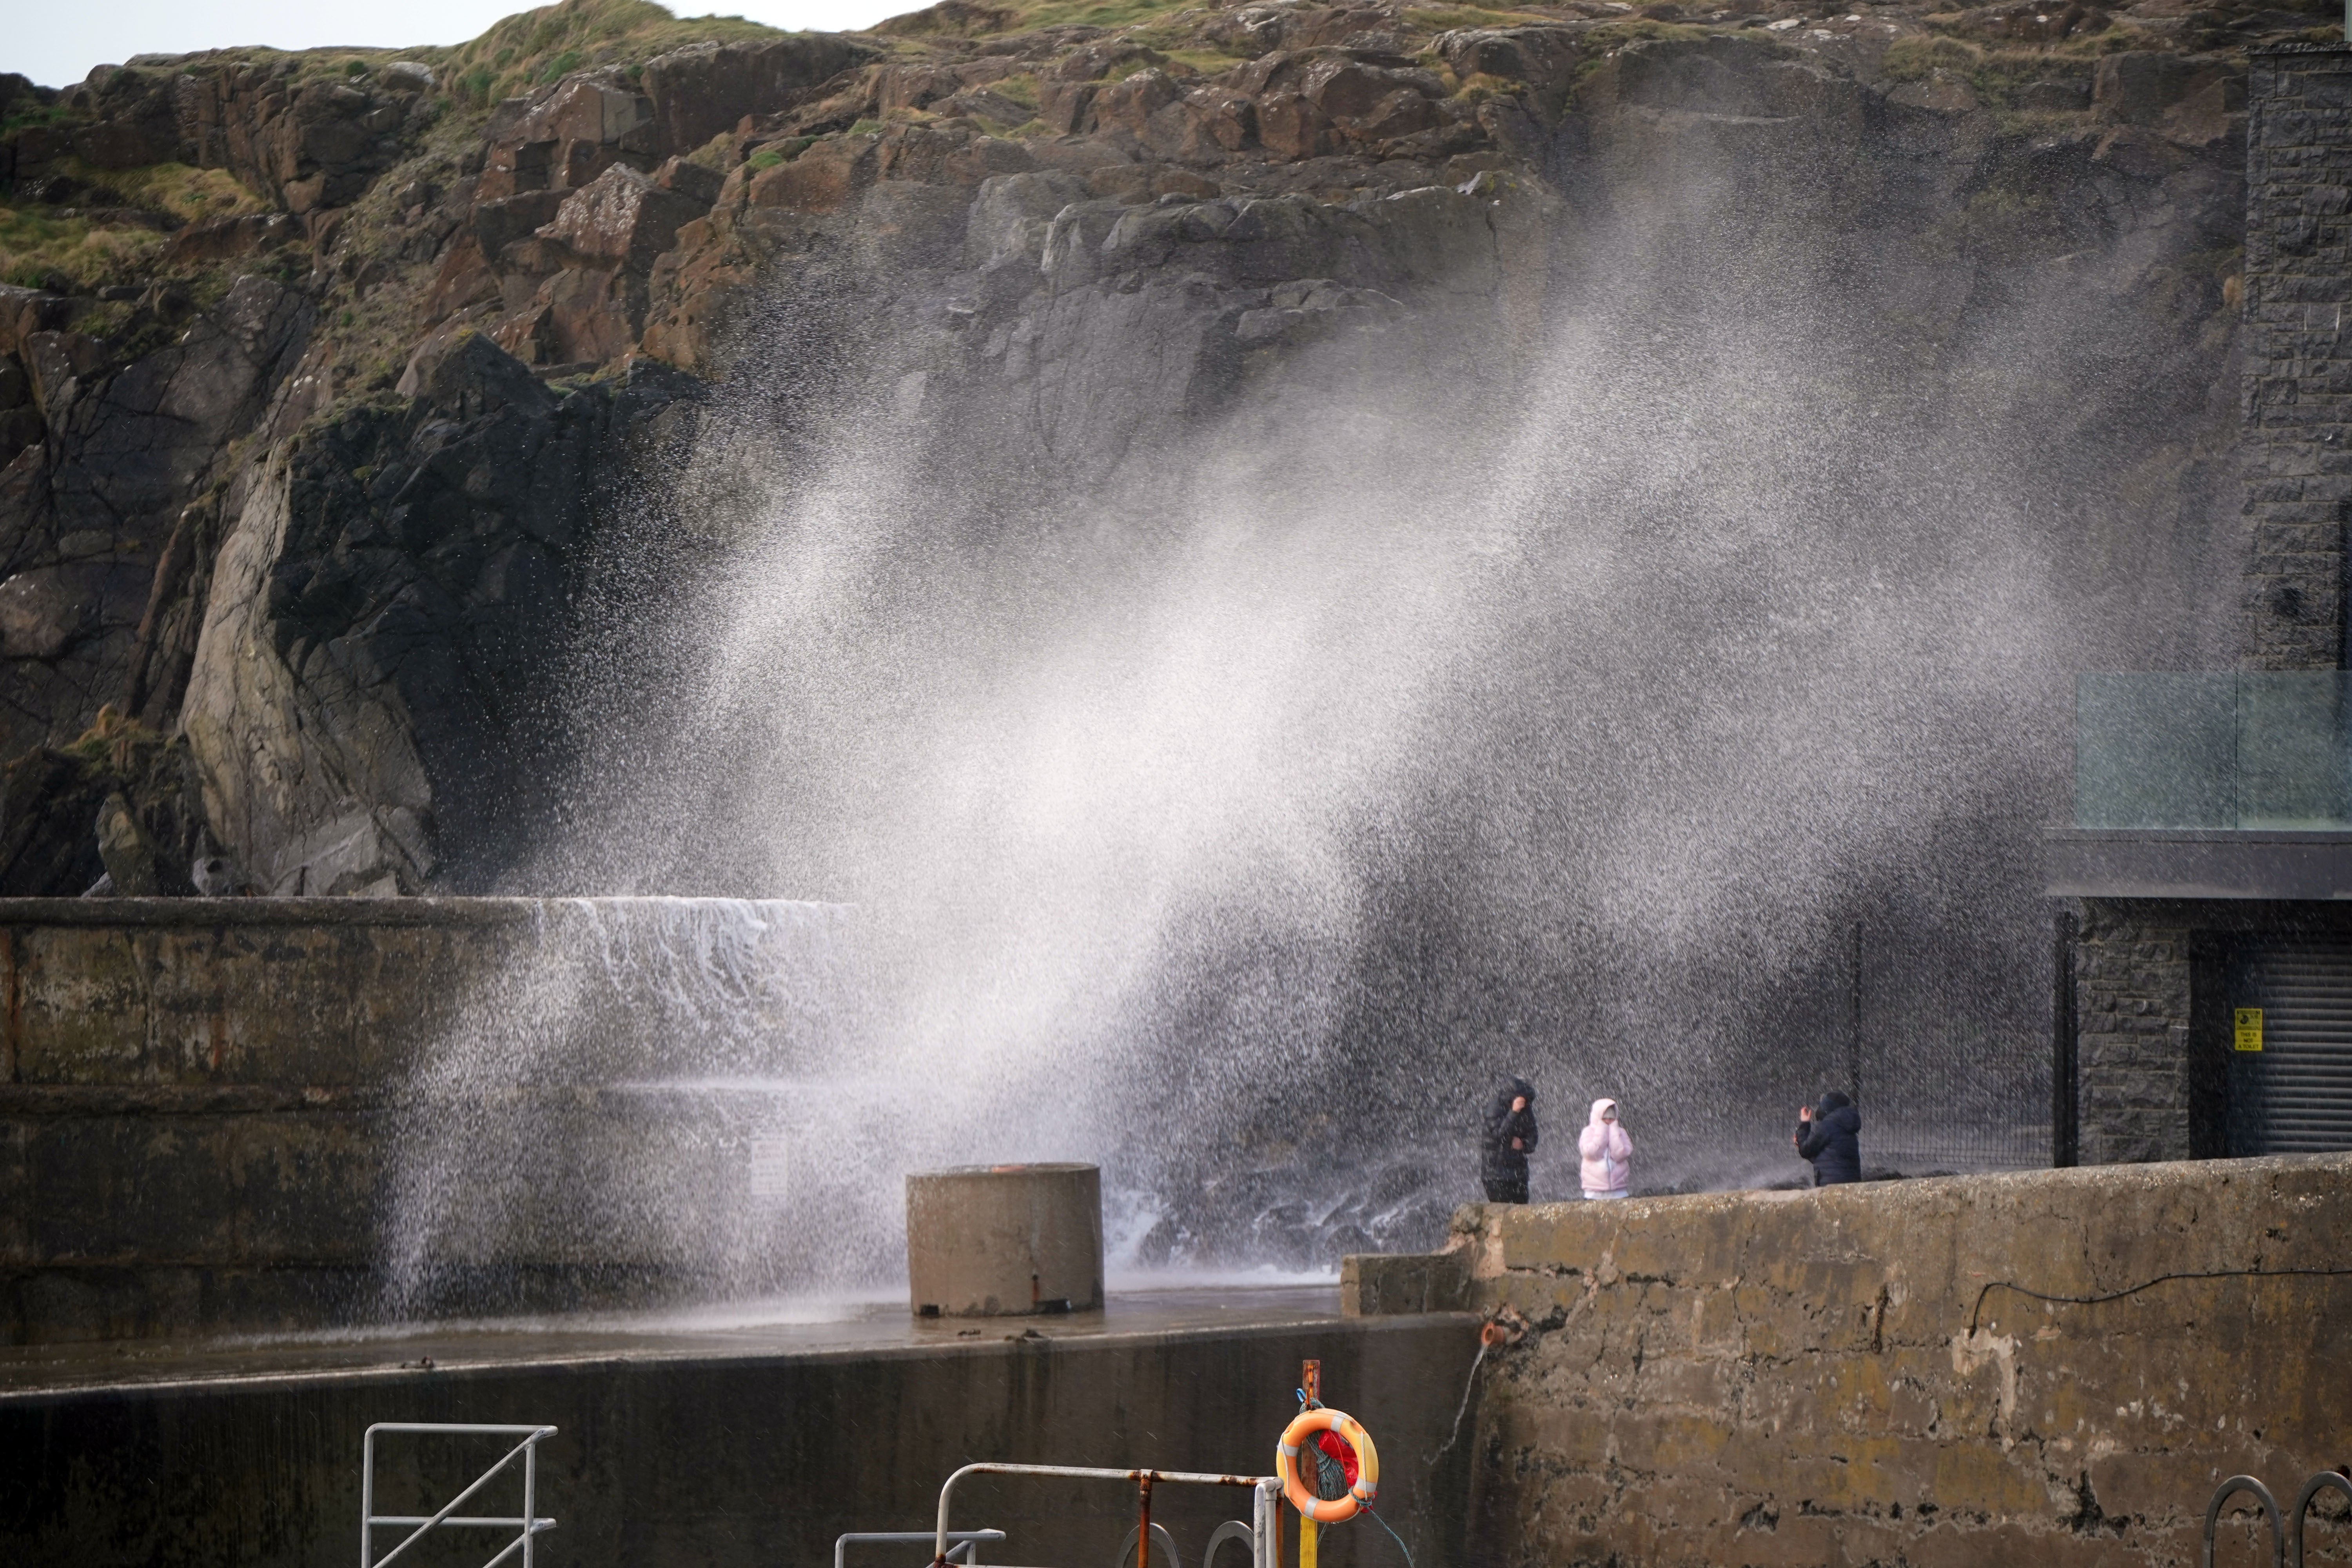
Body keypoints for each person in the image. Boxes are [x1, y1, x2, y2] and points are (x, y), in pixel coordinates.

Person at [1481, 1078, 1538, 1203]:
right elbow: (1500, 1135)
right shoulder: (1494, 1109)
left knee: (1522, 1215)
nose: (1524, 1104)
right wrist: (1514, 1112)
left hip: (1519, 1174)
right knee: (1501, 1214)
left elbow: (1533, 1137)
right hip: (1496, 1175)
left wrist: (1523, 1145)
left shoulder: (1526, 1109)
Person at [1795, 1089, 1862, 1185]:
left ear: (1827, 1107)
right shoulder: (1847, 1126)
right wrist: (1801, 1144)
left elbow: (1806, 1150)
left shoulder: (1827, 1126)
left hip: (1831, 1186)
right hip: (1851, 1184)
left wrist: (1804, 1125)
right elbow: (1830, 1159)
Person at [1578, 1098, 1632, 1199]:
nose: (1609, 1121)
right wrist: (1602, 1131)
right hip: (1594, 1191)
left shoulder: (1621, 1132)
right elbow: (1590, 1153)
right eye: (1605, 1118)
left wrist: (1614, 1133)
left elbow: (1621, 1155)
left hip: (1619, 1191)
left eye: (1612, 1118)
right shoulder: (1588, 1132)